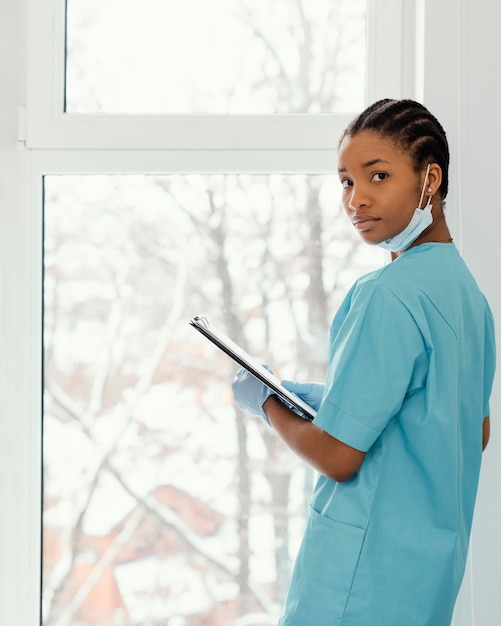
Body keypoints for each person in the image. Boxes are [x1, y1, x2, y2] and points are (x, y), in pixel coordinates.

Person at [232, 98, 496, 625]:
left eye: (377, 175)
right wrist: (337, 404)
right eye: (346, 182)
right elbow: (470, 429)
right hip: (426, 581)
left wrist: (266, 403)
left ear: (430, 179)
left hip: (357, 585)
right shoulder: (469, 297)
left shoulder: (387, 294)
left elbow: (337, 457)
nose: (357, 199)